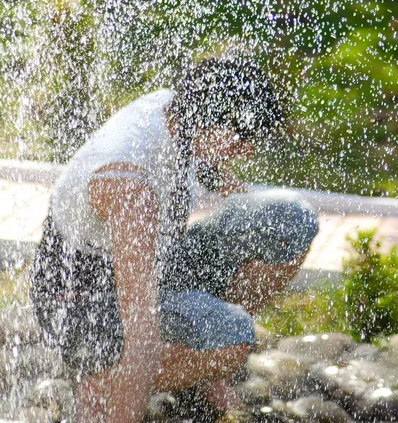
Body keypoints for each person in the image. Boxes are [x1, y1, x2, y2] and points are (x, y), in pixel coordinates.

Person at [30, 56, 318, 423]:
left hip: (158, 261)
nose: (247, 152)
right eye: (242, 142)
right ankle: (100, 383)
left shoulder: (179, 113)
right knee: (234, 335)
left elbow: (207, 167)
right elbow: (141, 336)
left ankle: (197, 364)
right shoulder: (131, 187)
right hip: (84, 300)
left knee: (289, 220)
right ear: (214, 125)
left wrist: (234, 190)